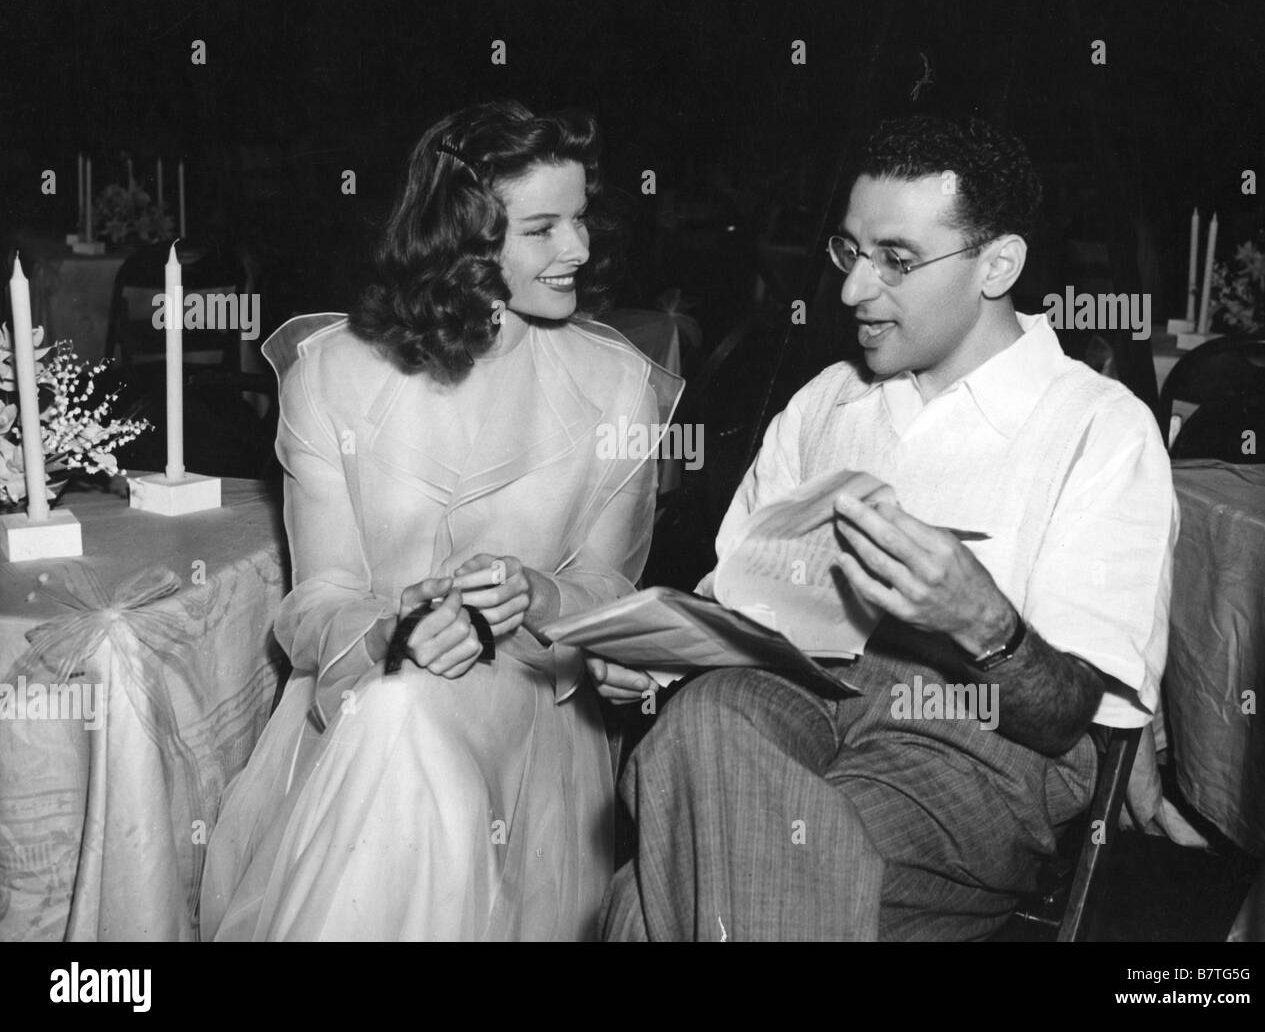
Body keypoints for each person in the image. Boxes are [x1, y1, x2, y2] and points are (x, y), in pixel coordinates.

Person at [601, 115, 1177, 941]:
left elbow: (1064, 719)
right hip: (792, 699)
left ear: (998, 264)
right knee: (703, 718)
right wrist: (654, 659)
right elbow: (736, 609)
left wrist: (983, 621)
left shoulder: (1097, 429)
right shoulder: (827, 401)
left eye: (896, 261)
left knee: (640, 906)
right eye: (849, 251)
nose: (852, 290)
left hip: (971, 738)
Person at [200, 100, 680, 941]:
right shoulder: (334, 378)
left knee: (403, 716)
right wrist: (392, 632)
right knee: (396, 709)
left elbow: (609, 593)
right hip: (353, 708)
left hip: (531, 718)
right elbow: (316, 602)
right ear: (464, 237)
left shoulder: (617, 388)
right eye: (543, 228)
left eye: (580, 220)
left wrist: (536, 595)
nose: (580, 248)